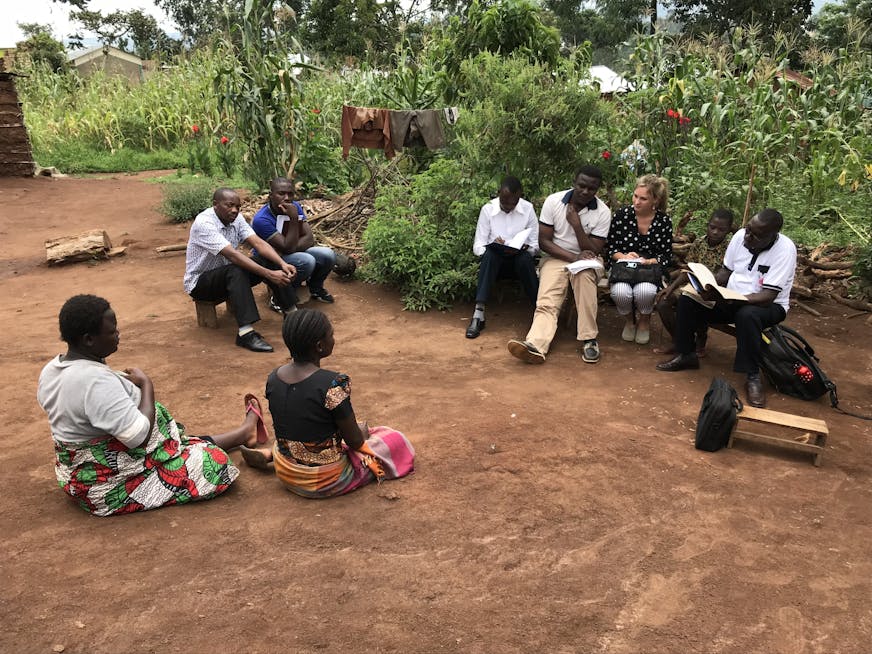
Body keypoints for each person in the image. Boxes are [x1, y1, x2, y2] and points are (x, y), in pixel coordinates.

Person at [36, 295, 273, 517]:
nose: (118, 334)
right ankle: (241, 435)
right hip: (106, 485)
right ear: (88, 339)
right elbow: (138, 437)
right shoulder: (94, 382)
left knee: (179, 444)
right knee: (215, 463)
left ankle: (243, 433)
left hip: (78, 475)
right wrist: (147, 385)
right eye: (111, 331)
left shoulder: (53, 369)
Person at [266, 309, 415, 498]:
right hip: (325, 481)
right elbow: (355, 442)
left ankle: (269, 455)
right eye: (331, 335)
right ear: (320, 346)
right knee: (394, 438)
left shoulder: (274, 378)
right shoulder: (333, 384)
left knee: (299, 437)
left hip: (286, 471)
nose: (334, 339)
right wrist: (360, 432)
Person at [656, 209, 797, 408]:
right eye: (748, 230)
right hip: (731, 299)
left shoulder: (785, 250)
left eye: (755, 235)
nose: (747, 236)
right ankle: (686, 354)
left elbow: (767, 296)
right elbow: (726, 272)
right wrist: (710, 287)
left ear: (772, 235)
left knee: (747, 315)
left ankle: (752, 376)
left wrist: (737, 299)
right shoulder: (740, 237)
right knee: (689, 299)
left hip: (767, 307)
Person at [507, 165, 611, 364]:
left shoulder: (603, 212)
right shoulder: (553, 201)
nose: (586, 192)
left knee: (585, 279)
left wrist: (576, 225)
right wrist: (573, 258)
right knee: (548, 297)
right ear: (574, 183)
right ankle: (536, 344)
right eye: (582, 186)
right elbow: (544, 241)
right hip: (557, 257)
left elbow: (593, 250)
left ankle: (589, 340)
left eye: (592, 189)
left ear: (597, 189)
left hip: (588, 260)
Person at [184, 188, 298, 353]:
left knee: (267, 258)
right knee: (236, 269)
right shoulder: (204, 223)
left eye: (238, 206)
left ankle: (292, 314)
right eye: (229, 205)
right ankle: (245, 333)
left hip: (227, 275)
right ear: (215, 205)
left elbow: (258, 243)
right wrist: (269, 274)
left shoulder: (235, 219)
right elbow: (233, 255)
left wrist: (281, 264)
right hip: (201, 284)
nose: (235, 210)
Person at [466, 176, 539, 339]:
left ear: (520, 197)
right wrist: (493, 245)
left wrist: (525, 247)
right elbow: (478, 246)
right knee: (490, 255)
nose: (508, 207)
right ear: (499, 194)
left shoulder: (528, 209)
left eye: (513, 204)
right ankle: (479, 314)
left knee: (526, 259)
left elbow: (535, 245)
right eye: (505, 203)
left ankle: (540, 312)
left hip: (519, 262)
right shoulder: (488, 210)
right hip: (496, 265)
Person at [654, 208, 734, 355]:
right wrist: (670, 288)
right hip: (693, 286)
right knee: (664, 301)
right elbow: (688, 269)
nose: (716, 232)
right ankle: (680, 340)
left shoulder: (730, 249)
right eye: (713, 227)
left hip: (716, 292)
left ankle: (700, 338)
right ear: (707, 225)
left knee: (698, 303)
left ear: (728, 231)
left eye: (721, 229)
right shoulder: (699, 243)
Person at [251, 177, 337, 310]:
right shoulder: (262, 219)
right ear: (271, 196)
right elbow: (288, 246)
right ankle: (279, 296)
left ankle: (315, 288)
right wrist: (293, 218)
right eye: (281, 194)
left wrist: (287, 248)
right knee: (307, 260)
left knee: (328, 255)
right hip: (270, 261)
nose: (287, 198)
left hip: (287, 253)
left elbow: (309, 239)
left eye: (290, 194)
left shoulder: (295, 207)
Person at [607, 174, 674, 345]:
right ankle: (630, 321)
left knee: (644, 291)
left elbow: (665, 255)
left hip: (648, 271)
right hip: (624, 269)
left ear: (655, 201)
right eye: (635, 196)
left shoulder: (663, 221)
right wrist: (623, 256)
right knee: (620, 292)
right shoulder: (622, 215)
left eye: (643, 199)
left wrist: (650, 261)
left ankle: (644, 320)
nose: (637, 202)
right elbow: (611, 248)